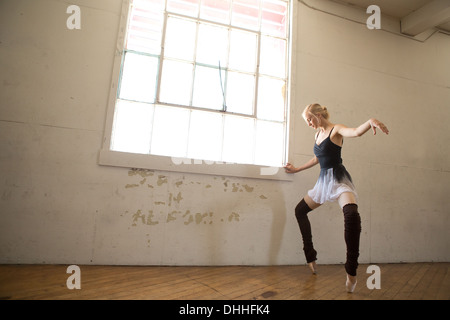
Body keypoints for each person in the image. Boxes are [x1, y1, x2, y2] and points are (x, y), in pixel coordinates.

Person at [284, 103, 389, 293]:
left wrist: (369, 122)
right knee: (300, 211)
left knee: (351, 215)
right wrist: (297, 169)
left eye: (309, 119)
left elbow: (356, 132)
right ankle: (310, 256)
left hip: (339, 180)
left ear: (318, 114)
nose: (309, 124)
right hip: (323, 182)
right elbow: (317, 158)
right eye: (306, 121)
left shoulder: (336, 130)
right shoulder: (317, 135)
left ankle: (351, 272)